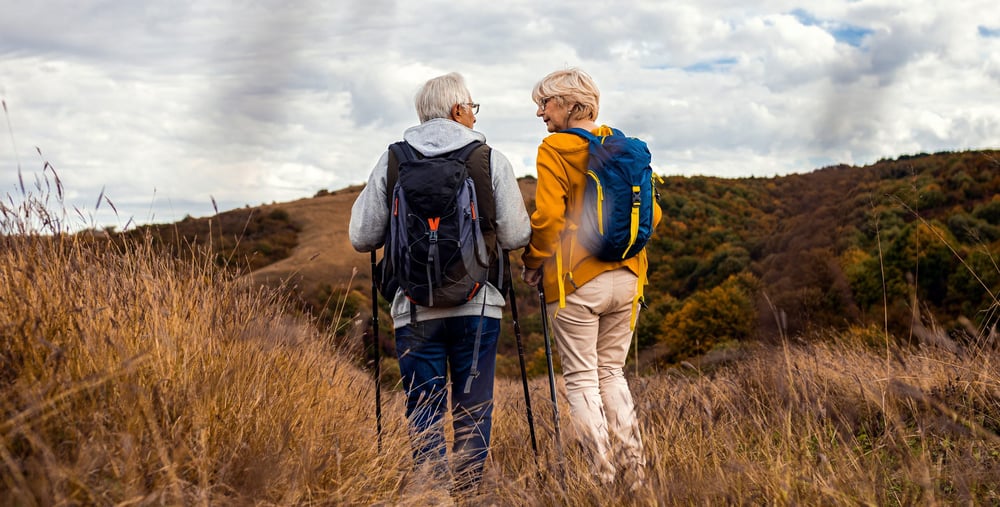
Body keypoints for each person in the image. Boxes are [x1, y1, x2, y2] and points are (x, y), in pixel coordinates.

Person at [349, 72, 531, 494]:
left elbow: (362, 237)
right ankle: (468, 497)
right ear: (457, 110)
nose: (473, 114)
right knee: (473, 411)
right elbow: (517, 236)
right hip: (477, 307)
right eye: (472, 107)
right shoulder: (488, 159)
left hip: (413, 309)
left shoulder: (392, 160)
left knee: (424, 410)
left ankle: (432, 499)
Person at [520, 68, 661, 487]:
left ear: (567, 104)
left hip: (577, 282)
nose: (540, 113)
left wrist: (532, 261)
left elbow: (547, 218)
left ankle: (601, 476)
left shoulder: (555, 148)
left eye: (544, 103)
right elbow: (653, 214)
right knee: (612, 374)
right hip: (630, 277)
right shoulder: (624, 146)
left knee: (581, 379)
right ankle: (634, 474)